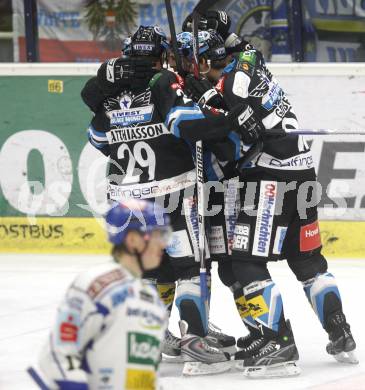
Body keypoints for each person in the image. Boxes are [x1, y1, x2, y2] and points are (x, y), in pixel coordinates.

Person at [180, 11, 358, 377]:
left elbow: (235, 135)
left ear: (202, 62)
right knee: (308, 261)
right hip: (304, 170)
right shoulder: (250, 60)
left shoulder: (222, 92)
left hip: (270, 177)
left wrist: (206, 103)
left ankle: (277, 342)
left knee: (244, 260)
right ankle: (340, 332)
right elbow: (239, 52)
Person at [80, 25, 250, 375]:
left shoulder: (109, 98)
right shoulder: (162, 82)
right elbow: (180, 120)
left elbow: (97, 137)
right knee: (189, 268)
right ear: (161, 56)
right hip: (171, 192)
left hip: (127, 202)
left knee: (149, 273)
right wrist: (225, 118)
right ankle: (195, 341)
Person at [28, 199, 171, 389]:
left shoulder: (152, 300)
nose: (163, 244)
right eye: (158, 235)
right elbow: (59, 355)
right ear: (133, 240)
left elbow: (144, 371)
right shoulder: (96, 285)